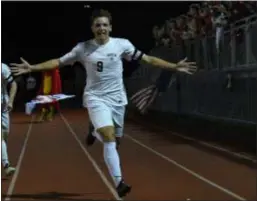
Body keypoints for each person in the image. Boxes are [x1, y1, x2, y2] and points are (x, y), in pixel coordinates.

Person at [10, 9, 197, 197]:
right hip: (95, 97)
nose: (102, 28)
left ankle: (93, 131)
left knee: (116, 141)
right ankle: (119, 182)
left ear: (110, 27)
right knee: (109, 137)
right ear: (92, 28)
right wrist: (32, 67)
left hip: (117, 99)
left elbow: (148, 59)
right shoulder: (82, 48)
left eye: (105, 25)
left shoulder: (122, 45)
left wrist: (173, 66)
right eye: (98, 25)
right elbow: (58, 62)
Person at [1, 63, 18, 176]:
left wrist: (11, 101)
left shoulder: (3, 68)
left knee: (5, 135)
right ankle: (6, 164)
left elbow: (14, 85)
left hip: (4, 105)